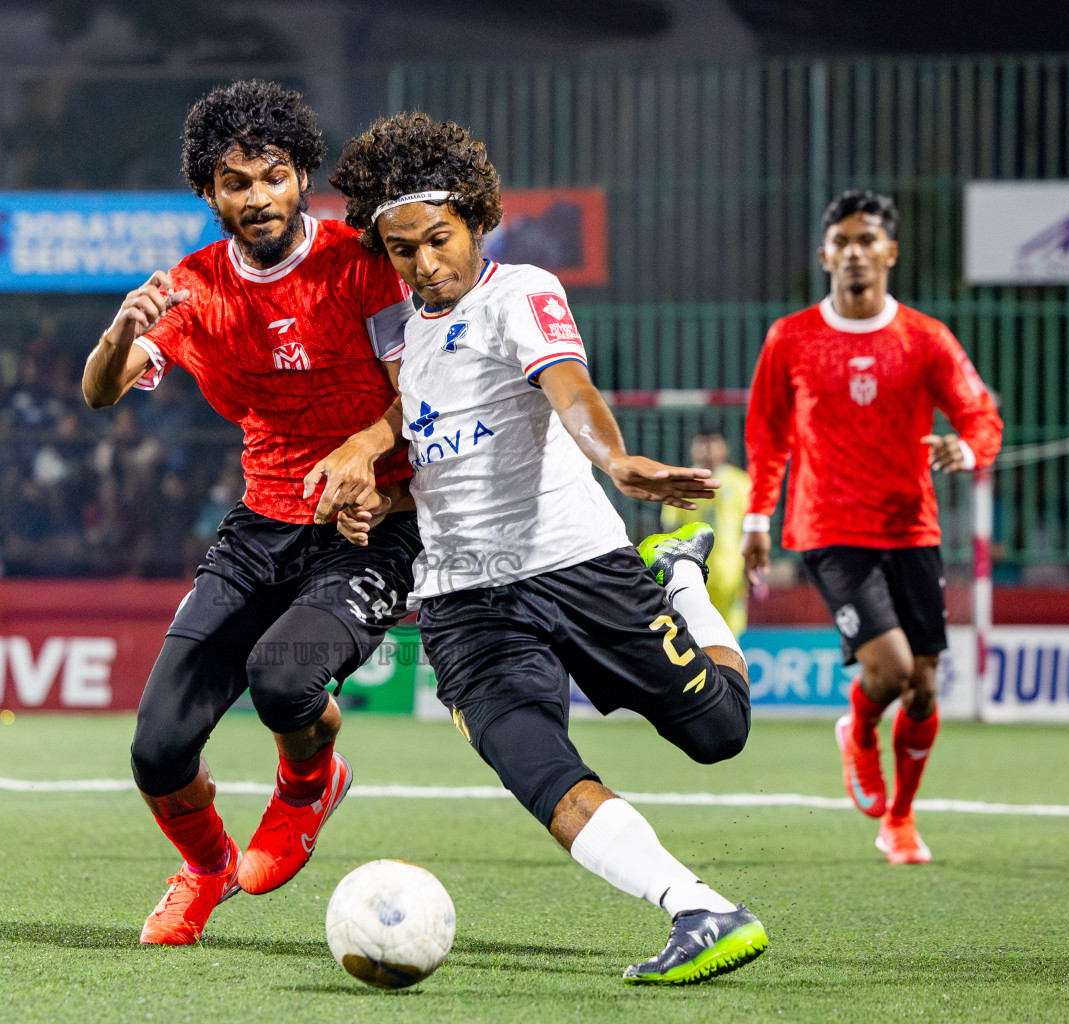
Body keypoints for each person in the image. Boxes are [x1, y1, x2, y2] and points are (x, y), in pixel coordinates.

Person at [325, 112, 767, 985]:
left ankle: (679, 575)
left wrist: (618, 460)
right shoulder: (395, 333)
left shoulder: (520, 292)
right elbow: (432, 452)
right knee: (535, 765)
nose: (424, 264)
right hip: (462, 600)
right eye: (403, 249)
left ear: (476, 220)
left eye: (439, 240)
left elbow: (569, 389)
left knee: (720, 733)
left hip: (576, 564)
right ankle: (697, 908)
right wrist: (374, 494)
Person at [80, 80, 421, 945]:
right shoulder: (193, 289)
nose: (258, 196)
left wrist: (364, 456)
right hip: (261, 529)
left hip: (369, 530)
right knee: (157, 751)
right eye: (236, 183)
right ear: (210, 193)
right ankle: (204, 871)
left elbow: (422, 392)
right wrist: (121, 330)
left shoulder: (362, 262)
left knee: (283, 676)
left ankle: (309, 786)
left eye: (273, 176)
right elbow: (100, 392)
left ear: (304, 175)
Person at [742, 189, 1003, 865]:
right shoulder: (791, 338)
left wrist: (966, 449)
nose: (854, 252)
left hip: (911, 529)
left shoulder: (925, 338)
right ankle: (859, 732)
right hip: (830, 529)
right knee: (889, 670)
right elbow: (768, 435)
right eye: (843, 241)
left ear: (890, 252)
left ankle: (901, 820)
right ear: (824, 254)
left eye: (868, 240)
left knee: (923, 685)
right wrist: (757, 517)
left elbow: (980, 415)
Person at [660, 430, 752, 636]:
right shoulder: (681, 483)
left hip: (730, 571)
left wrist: (751, 562)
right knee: (691, 629)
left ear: (724, 448)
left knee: (729, 630)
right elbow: (670, 529)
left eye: (711, 444)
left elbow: (749, 528)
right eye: (701, 445)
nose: (706, 450)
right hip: (689, 570)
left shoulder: (740, 482)